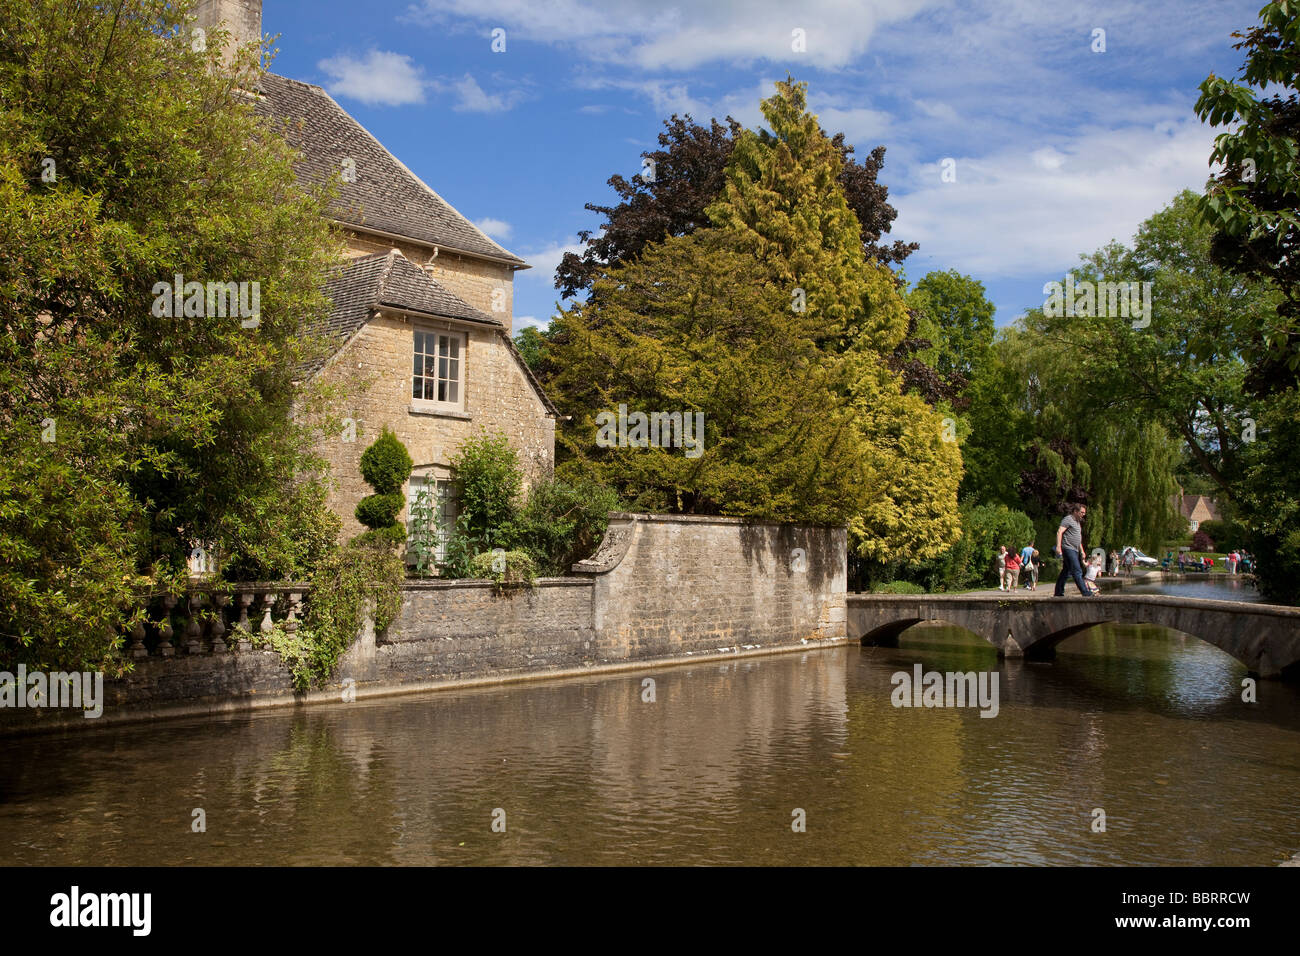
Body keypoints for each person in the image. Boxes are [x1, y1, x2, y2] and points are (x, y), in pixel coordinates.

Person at [1054, 503, 1094, 597]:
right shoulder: (1068, 519)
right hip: (1068, 548)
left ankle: (1058, 592)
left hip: (1075, 550)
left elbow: (1078, 539)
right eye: (1082, 512)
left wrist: (1082, 551)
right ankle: (1085, 592)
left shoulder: (1077, 522)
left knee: (1066, 572)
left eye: (1084, 513)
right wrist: (1058, 546)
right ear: (1075, 511)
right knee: (1077, 570)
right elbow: (1059, 532)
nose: (1083, 514)